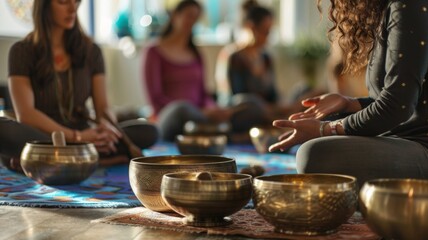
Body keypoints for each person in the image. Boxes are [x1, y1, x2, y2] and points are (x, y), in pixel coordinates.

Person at [269, 0, 428, 187]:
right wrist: (349, 103)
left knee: (314, 154)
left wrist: (324, 129)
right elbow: (404, 101)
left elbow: (398, 107)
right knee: (326, 130)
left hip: (422, 145)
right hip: (401, 138)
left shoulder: (410, 4)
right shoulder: (392, 8)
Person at [2, 0, 158, 171]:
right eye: (63, 2)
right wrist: (76, 138)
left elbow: (103, 108)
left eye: (76, 1)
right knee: (4, 130)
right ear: (44, 5)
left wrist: (108, 129)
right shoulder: (21, 51)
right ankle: (84, 159)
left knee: (148, 131)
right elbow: (26, 114)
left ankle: (45, 161)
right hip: (43, 137)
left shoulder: (91, 51)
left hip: (84, 136)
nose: (72, 8)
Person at [142, 0, 267, 141]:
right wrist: (201, 112)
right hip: (172, 117)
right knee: (182, 109)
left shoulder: (196, 53)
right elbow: (156, 99)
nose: (192, 21)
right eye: (189, 16)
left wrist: (212, 109)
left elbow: (203, 93)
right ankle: (224, 134)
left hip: (201, 116)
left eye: (196, 17)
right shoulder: (153, 51)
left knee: (251, 104)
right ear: (175, 16)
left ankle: (218, 133)